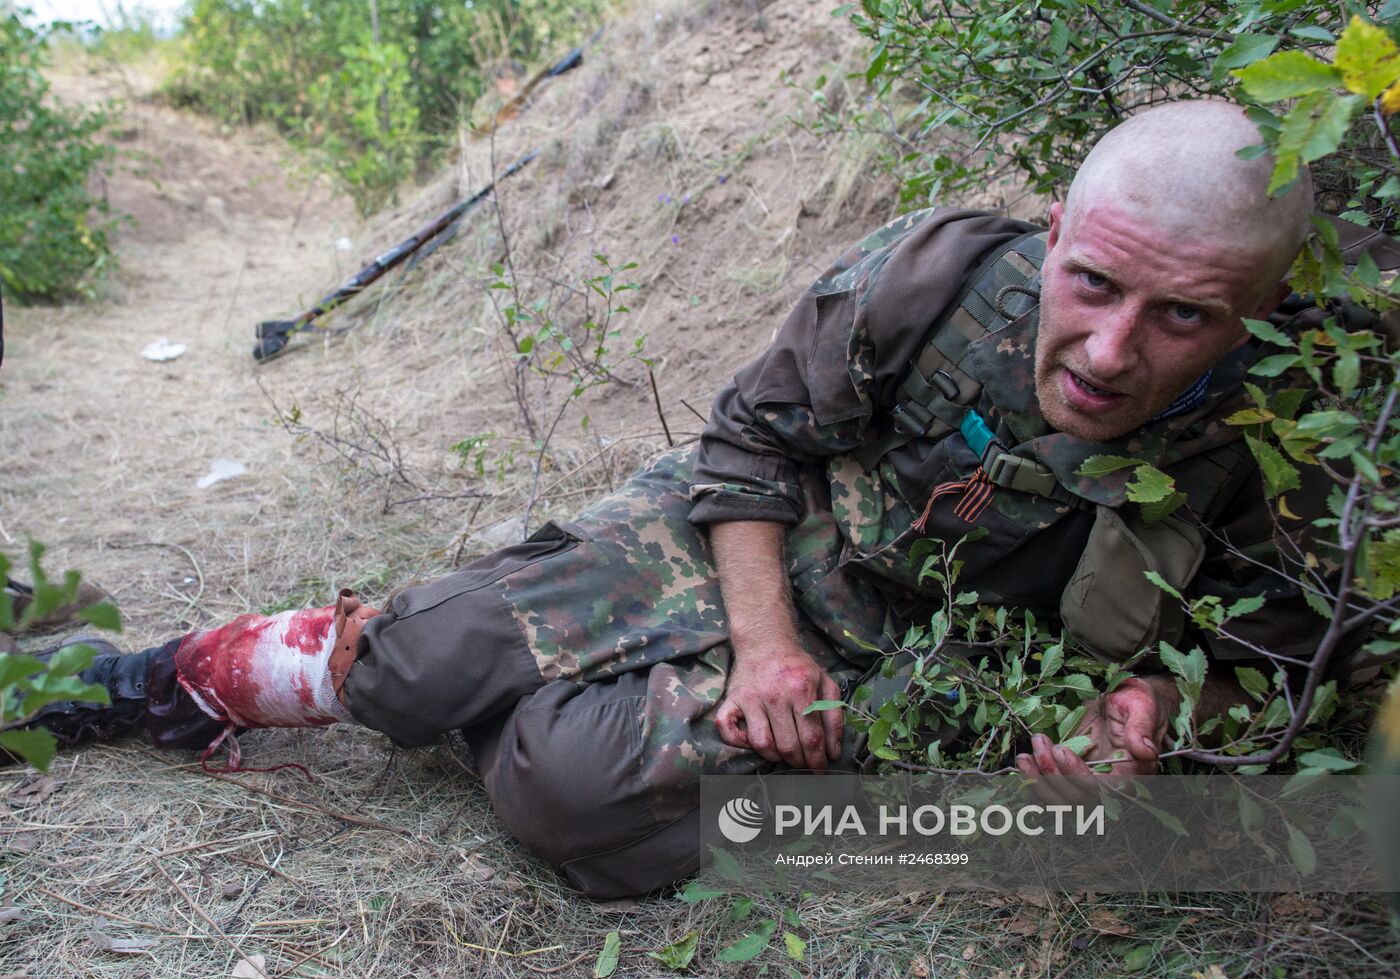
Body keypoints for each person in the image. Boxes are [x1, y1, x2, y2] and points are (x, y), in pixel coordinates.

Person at [14, 101, 1377, 898]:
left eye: (1182, 316)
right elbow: (748, 444)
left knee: (572, 807)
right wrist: (766, 644)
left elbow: (1292, 669)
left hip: (929, 673)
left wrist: (1150, 712)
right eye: (1094, 284)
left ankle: (547, 703)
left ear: (1255, 315)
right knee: (416, 657)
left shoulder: (1293, 438)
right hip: (755, 539)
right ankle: (149, 687)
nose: (1110, 350)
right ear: (1062, 233)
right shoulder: (943, 275)